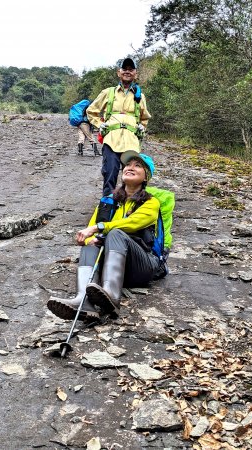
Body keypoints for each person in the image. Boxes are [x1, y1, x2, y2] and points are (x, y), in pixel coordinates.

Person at [47, 150, 161, 321]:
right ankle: (83, 300)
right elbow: (90, 230)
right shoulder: (108, 201)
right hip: (113, 268)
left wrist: (100, 228)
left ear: (146, 177)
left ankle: (111, 296)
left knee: (115, 233)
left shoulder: (151, 202)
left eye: (138, 166)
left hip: (142, 265)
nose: (130, 168)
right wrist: (87, 239)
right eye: (127, 165)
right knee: (91, 243)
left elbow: (132, 223)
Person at [86, 57, 151, 201]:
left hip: (131, 142)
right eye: (124, 69)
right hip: (111, 140)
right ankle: (107, 206)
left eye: (131, 69)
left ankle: (131, 207)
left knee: (133, 176)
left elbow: (145, 118)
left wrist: (142, 126)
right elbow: (91, 111)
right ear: (119, 72)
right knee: (109, 173)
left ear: (136, 74)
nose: (127, 72)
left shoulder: (140, 96)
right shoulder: (108, 93)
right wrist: (99, 124)